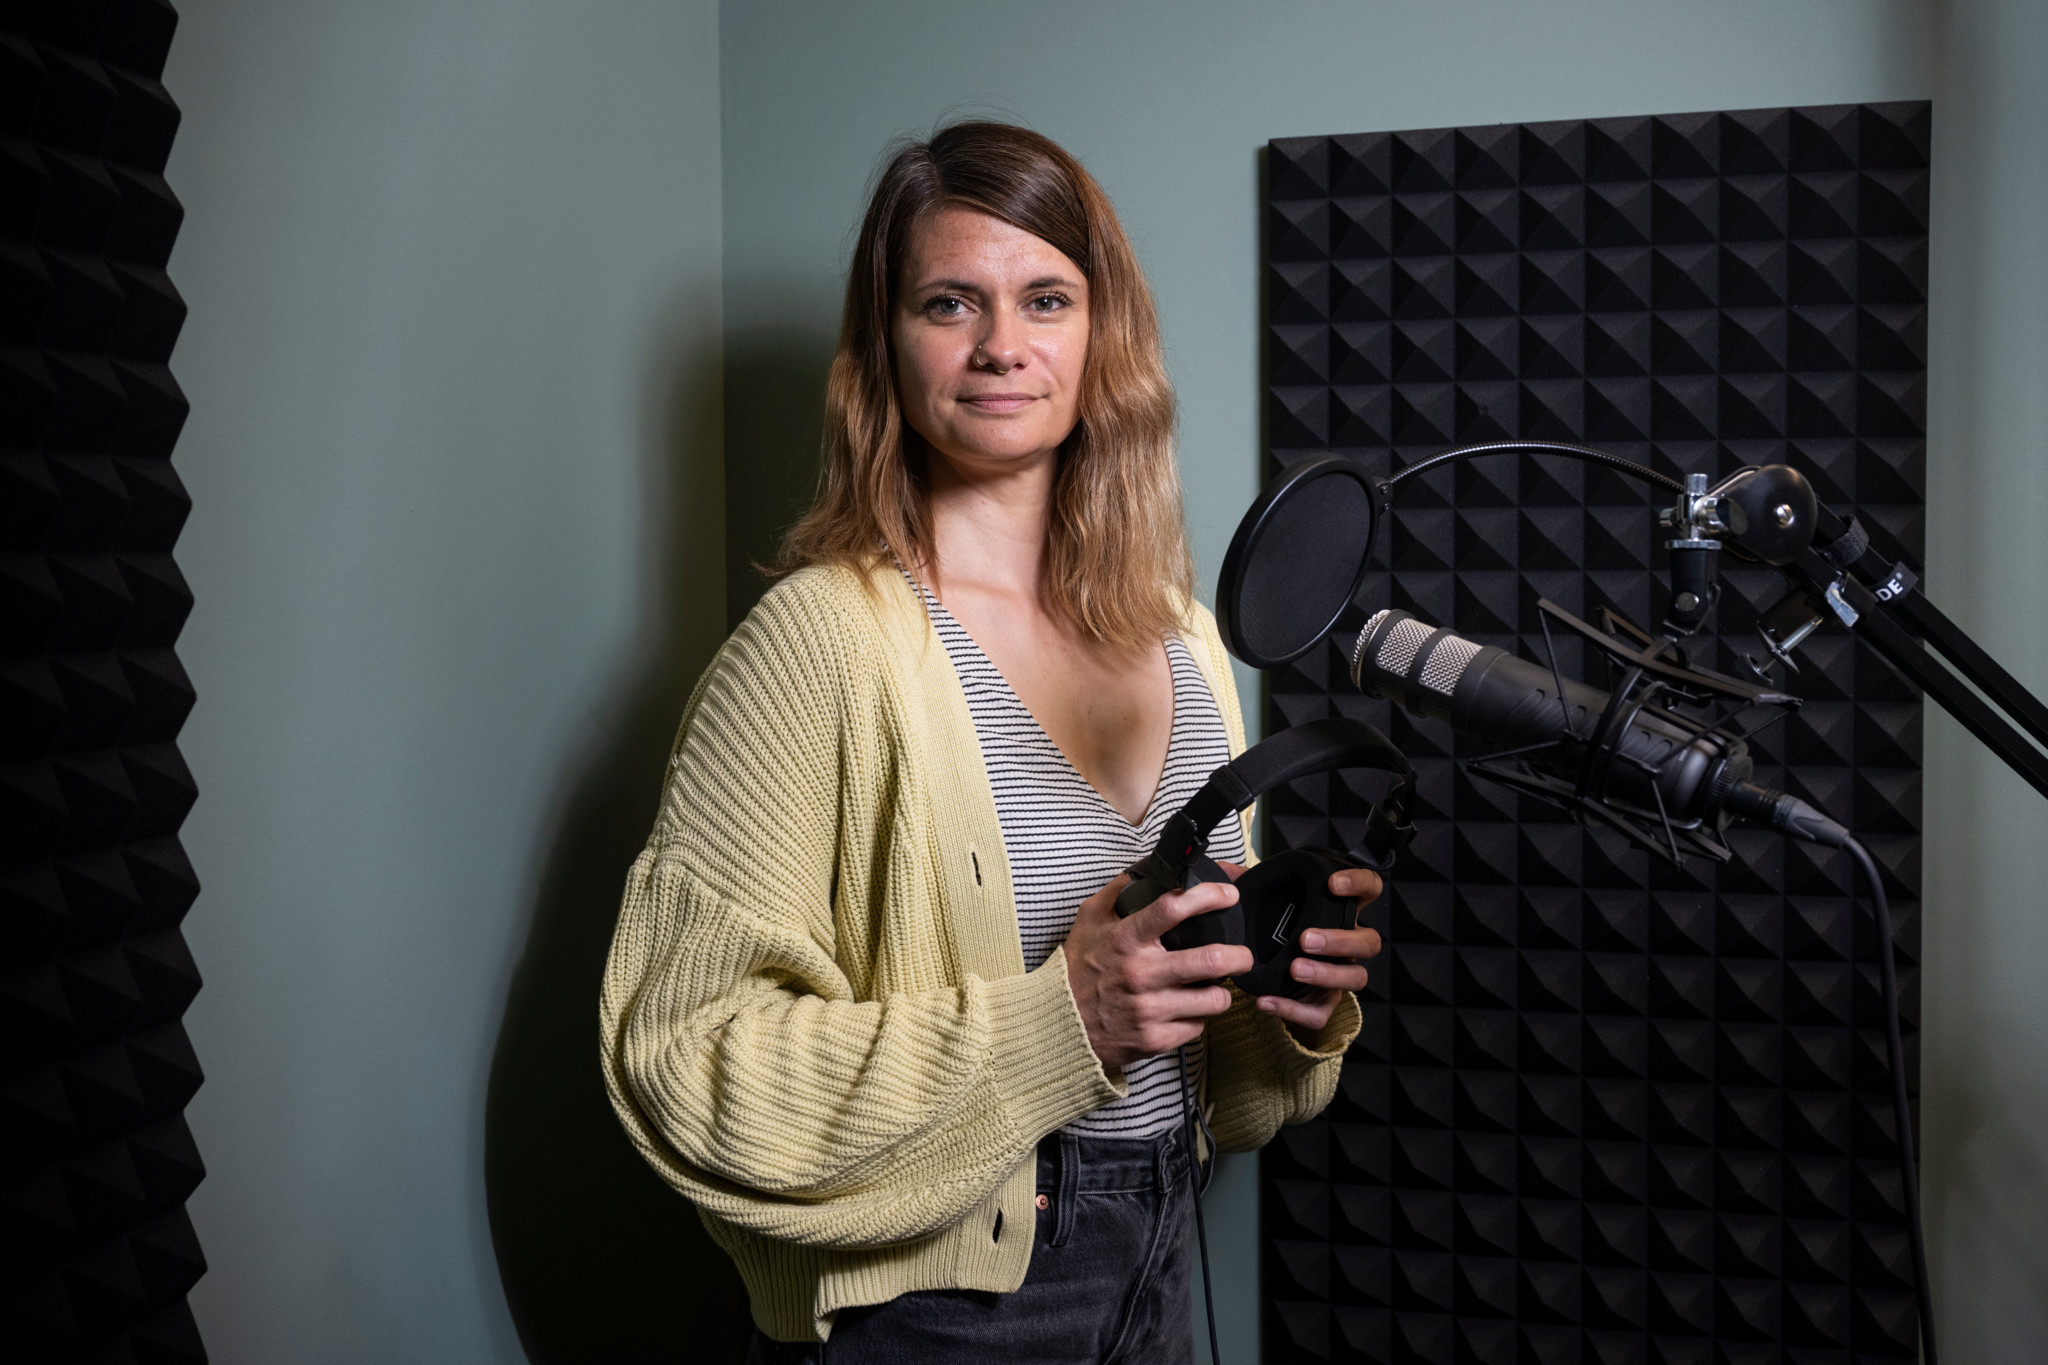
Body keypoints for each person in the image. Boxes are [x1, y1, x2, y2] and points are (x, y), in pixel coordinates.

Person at [600, 122, 1384, 1362]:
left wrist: (1278, 997)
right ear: (887, 346)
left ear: (1100, 335)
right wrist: (1061, 1019)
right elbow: (683, 1060)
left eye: (1045, 299)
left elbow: (1225, 1090)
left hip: (1156, 1261)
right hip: (931, 1306)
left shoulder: (1182, 635)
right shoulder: (820, 643)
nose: (1001, 345)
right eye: (948, 302)